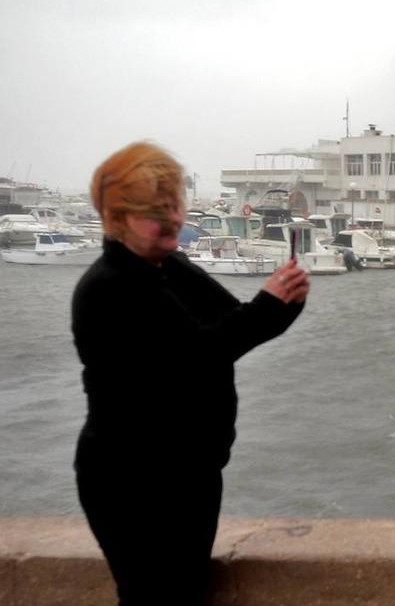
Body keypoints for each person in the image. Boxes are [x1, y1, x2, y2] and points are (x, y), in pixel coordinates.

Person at [71, 142, 309, 605]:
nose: (176, 219)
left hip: (187, 476)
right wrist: (269, 304)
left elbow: (235, 323)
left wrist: (288, 300)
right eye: (159, 211)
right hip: (135, 487)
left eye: (176, 205)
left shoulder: (167, 267)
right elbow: (198, 356)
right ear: (120, 217)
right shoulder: (111, 289)